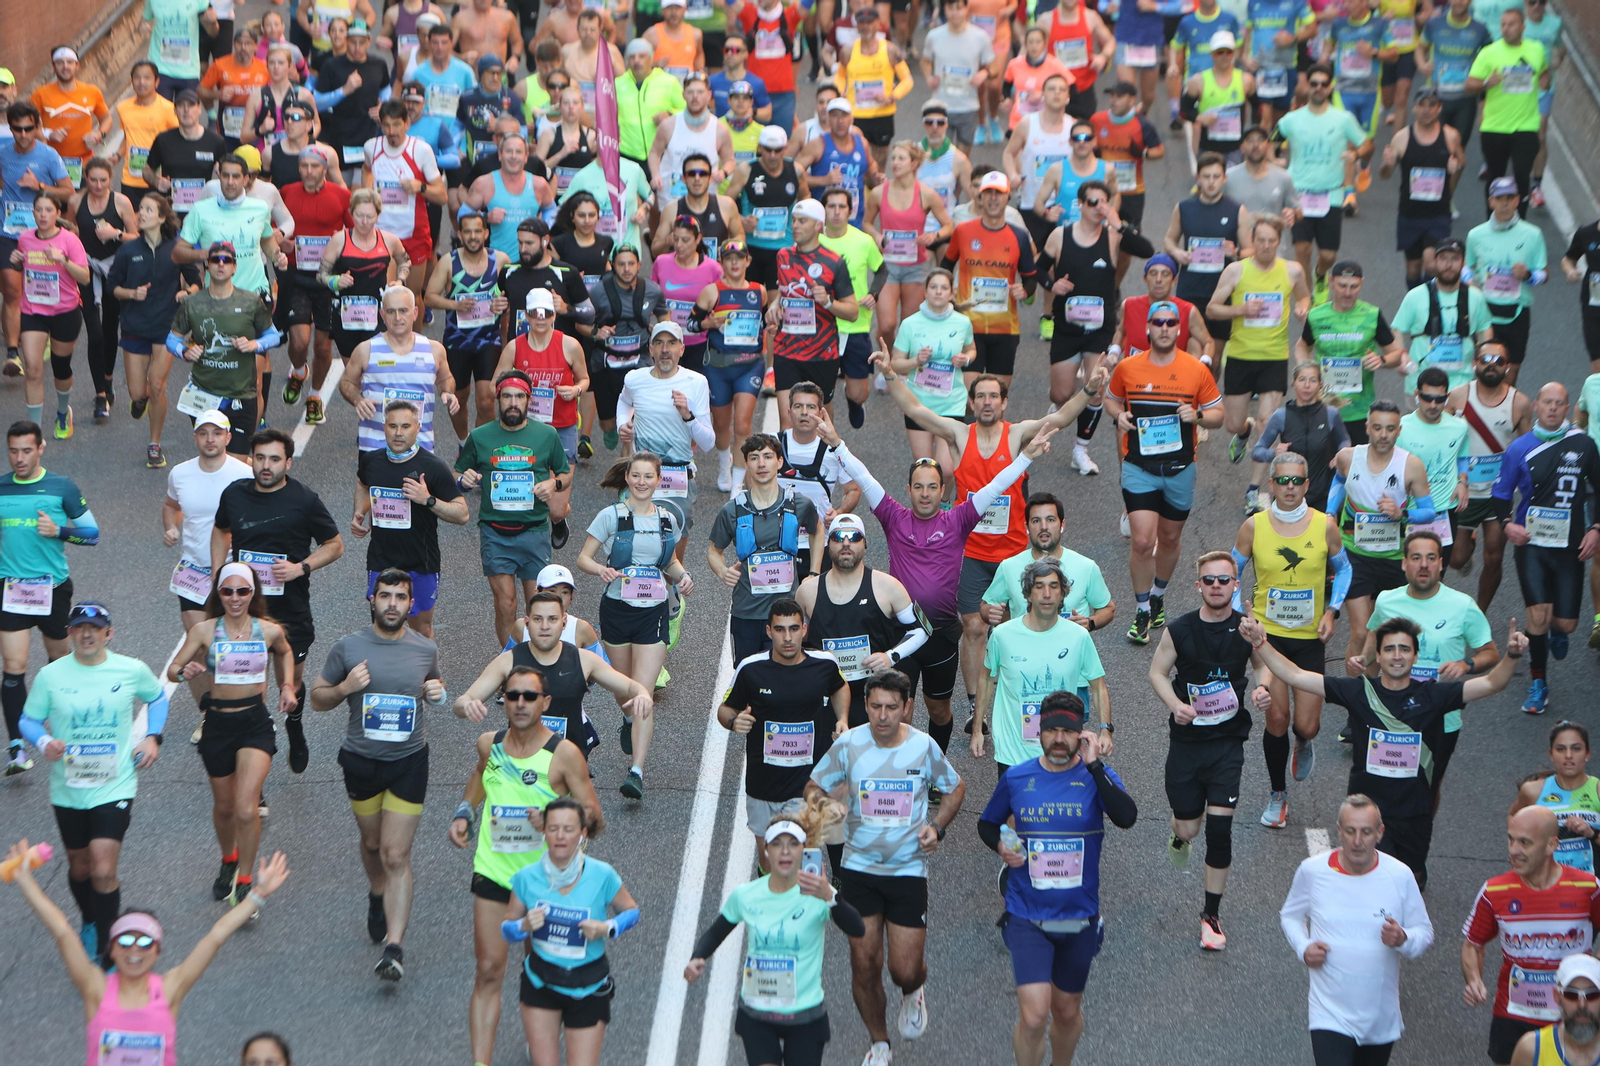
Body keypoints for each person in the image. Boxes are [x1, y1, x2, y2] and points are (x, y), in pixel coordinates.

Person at [822, 405, 1056, 752]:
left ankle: (936, 763)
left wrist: (1026, 458)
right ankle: (900, 769)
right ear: (909, 489)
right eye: (919, 487)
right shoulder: (893, 516)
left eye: (933, 486)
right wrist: (837, 443)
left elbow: (996, 485)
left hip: (943, 634)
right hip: (901, 631)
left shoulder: (958, 520)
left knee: (939, 710)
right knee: (898, 709)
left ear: (942, 488)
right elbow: (866, 476)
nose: (926, 493)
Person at [881, 370, 1098, 728]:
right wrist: (890, 375)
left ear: (1004, 402)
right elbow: (917, 411)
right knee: (974, 628)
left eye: (993, 396)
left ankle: (1018, 700)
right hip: (970, 554)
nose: (986, 402)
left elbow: (1059, 417)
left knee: (1019, 629)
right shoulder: (958, 433)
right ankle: (974, 708)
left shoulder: (1016, 434)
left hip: (1014, 556)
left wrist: (1090, 389)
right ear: (971, 402)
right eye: (980, 396)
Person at [1245, 612, 1524, 889]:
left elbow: (1492, 683)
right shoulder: (1359, 691)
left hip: (1414, 815)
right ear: (1378, 656)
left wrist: (1511, 656)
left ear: (1415, 656)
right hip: (1365, 815)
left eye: (1404, 649)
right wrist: (1260, 644)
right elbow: (1294, 674)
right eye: (1389, 649)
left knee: (1404, 888)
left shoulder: (1434, 696)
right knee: (1366, 886)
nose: (1397, 655)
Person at [3, 842, 290, 1064]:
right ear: (111, 950)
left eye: (145, 943)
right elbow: (63, 931)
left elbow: (216, 936)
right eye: (125, 941)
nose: (134, 950)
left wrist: (257, 895)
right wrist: (26, 881)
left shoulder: (170, 989)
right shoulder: (96, 988)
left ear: (157, 953)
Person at [804, 669, 964, 1066]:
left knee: (903, 969)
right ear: (866, 705)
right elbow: (813, 786)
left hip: (908, 871)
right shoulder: (850, 745)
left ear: (907, 707)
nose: (882, 715)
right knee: (864, 963)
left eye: (892, 707)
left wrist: (938, 828)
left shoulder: (924, 748)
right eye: (875, 706)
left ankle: (914, 991)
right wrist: (829, 808)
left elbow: (956, 788)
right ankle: (879, 1043)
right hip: (858, 870)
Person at [449, 663, 606, 1066]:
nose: (520, 704)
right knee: (487, 970)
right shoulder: (490, 744)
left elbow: (595, 818)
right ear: (503, 700)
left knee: (547, 976)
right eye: (512, 695)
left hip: (548, 885)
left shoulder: (564, 754)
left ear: (545, 702)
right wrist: (464, 813)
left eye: (529, 696)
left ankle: (542, 1052)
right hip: (495, 875)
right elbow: (479, 777)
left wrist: (556, 816)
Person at [978, 693, 1134, 1066]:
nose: (1059, 739)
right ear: (1039, 732)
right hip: (1026, 914)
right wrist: (1002, 846)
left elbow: (1126, 816)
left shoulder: (1096, 776)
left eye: (1068, 731)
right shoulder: (1018, 777)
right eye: (1052, 731)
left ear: (1082, 734)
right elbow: (987, 824)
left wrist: (1096, 767)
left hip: (1078, 915)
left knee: (1065, 1013)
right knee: (1033, 1016)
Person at [308, 570, 444, 980]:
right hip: (361, 760)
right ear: (371, 599)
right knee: (371, 844)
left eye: (400, 597)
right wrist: (346, 686)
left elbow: (433, 685)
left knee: (395, 854)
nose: (391, 604)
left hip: (408, 761)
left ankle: (394, 947)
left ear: (411, 604)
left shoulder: (425, 649)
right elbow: (316, 699)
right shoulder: (347, 648)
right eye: (384, 595)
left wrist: (437, 693)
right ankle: (376, 892)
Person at [17, 602, 166, 962]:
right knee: (80, 868)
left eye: (94, 628)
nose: (86, 634)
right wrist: (43, 742)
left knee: (102, 867)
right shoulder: (51, 676)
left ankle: (108, 942)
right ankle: (89, 920)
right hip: (68, 787)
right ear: (69, 634)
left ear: (108, 634)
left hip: (115, 784)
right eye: (79, 628)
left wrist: (153, 736)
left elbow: (157, 696)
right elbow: (28, 719)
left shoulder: (130, 669)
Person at [1148, 551, 1268, 950]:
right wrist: (1176, 705)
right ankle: (1179, 835)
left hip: (1227, 743)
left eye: (1224, 580)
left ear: (1236, 586)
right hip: (1187, 743)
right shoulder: (1180, 629)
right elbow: (1157, 672)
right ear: (1198, 586)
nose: (1217, 586)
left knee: (1219, 831)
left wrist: (1262, 687)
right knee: (1189, 826)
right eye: (1209, 580)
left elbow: (1262, 665)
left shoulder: (1247, 629)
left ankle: (1211, 915)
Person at [210, 428, 345, 771]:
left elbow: (335, 545)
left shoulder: (305, 500)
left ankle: (294, 724)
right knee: (249, 682)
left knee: (292, 681)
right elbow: (221, 530)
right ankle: (253, 757)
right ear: (250, 459)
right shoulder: (234, 494)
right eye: (259, 458)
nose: (265, 466)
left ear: (287, 462)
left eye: (274, 459)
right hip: (245, 609)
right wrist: (219, 573)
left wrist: (301, 567)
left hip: (290, 610)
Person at [686, 812, 865, 1066]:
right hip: (757, 1014)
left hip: (805, 1016)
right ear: (766, 850)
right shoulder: (746, 895)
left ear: (804, 851)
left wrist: (830, 897)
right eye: (777, 844)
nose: (785, 851)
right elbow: (717, 931)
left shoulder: (819, 893)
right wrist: (697, 957)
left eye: (793, 844)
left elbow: (858, 929)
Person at [168, 562, 296, 901]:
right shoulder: (205, 631)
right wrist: (187, 671)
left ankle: (245, 878)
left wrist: (286, 686)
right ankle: (229, 859)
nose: (235, 598)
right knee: (224, 808)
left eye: (243, 591)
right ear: (219, 594)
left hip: (254, 723)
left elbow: (285, 650)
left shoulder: (267, 630)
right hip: (218, 724)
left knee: (245, 808)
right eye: (228, 591)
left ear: (253, 592)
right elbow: (172, 670)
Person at [1236, 451, 1350, 827]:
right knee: (1276, 720)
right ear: (1271, 484)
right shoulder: (1254, 526)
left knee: (1308, 725)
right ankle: (1277, 795)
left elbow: (1344, 569)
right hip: (1269, 638)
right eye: (1281, 481)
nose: (1289, 487)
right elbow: (1233, 572)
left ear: (1307, 484)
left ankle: (1304, 742)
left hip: (1309, 639)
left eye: (1296, 481)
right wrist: (1245, 614)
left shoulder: (1325, 526)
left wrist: (1332, 611)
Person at [1278, 794, 1435, 1066]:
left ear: (1380, 833)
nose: (1357, 841)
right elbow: (1290, 916)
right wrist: (1303, 948)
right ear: (1339, 830)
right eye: (1350, 831)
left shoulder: (1399, 876)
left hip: (1379, 1018)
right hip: (1329, 1014)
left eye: (1366, 832)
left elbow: (1424, 932)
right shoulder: (1313, 871)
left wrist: (1403, 939)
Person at [1105, 301, 1226, 644]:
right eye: (1157, 322)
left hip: (1180, 468)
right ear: (1147, 328)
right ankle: (1142, 609)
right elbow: (1112, 399)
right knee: (1143, 540)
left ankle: (1158, 593)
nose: (1163, 327)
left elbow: (1218, 414)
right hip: (1138, 466)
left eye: (1170, 322)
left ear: (1178, 329)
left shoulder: (1195, 370)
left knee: (1170, 538)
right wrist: (1119, 416)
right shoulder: (1128, 367)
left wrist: (1198, 417)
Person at [1359, 529, 1494, 807]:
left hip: (1440, 716)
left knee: (1428, 787)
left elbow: (1490, 653)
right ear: (1404, 563)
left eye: (1431, 558)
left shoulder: (1462, 606)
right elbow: (1373, 637)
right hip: (1392, 709)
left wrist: (1466, 664)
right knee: (1385, 780)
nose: (1424, 564)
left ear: (1441, 564)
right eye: (1417, 557)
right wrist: (1364, 665)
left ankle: (1417, 838)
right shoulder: (1387, 600)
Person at [500, 798, 636, 1066]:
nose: (560, 836)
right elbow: (507, 929)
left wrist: (607, 927)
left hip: (589, 985)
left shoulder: (602, 874)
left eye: (568, 829)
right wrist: (523, 926)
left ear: (582, 833)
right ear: (544, 832)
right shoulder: (527, 877)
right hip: (541, 982)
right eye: (553, 829)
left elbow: (631, 912)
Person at [1491, 382, 1600, 715]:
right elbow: (1501, 495)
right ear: (1536, 406)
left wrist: (1595, 528)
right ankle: (1539, 682)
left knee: (1565, 624)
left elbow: (1598, 489)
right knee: (1536, 615)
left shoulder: (1583, 444)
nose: (1553, 408)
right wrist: (1508, 524)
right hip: (1532, 544)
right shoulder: (1519, 448)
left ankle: (1553, 629)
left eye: (1560, 403)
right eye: (1547, 402)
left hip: (1570, 544)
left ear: (1568, 409)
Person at [1464, 804, 1600, 1066]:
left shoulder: (1587, 887)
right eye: (1510, 839)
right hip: (1513, 1015)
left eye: (1525, 842)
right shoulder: (1494, 891)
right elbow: (1473, 944)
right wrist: (1473, 979)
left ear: (1551, 845)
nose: (1514, 850)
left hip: (1573, 1011)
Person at [718, 598, 850, 867]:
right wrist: (734, 722)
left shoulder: (824, 663)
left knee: (797, 861)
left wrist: (843, 718)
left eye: (793, 629)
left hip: (805, 786)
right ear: (768, 631)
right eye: (780, 630)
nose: (787, 637)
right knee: (768, 862)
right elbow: (725, 709)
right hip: (762, 784)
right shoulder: (751, 668)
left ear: (804, 630)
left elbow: (840, 686)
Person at [0, 420, 99, 775]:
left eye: (27, 450)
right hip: (11, 589)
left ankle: (71, 735)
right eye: (13, 450)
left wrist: (59, 531)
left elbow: (92, 534)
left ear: (41, 448)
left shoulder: (62, 487)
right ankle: (17, 748)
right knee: (13, 669)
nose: (19, 458)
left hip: (52, 589)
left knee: (59, 667)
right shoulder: (1, 488)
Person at [456, 370, 572, 648]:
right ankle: (511, 663)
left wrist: (553, 483)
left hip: (534, 531)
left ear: (528, 400)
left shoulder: (546, 435)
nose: (513, 402)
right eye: (507, 396)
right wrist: (464, 480)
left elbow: (565, 473)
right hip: (495, 533)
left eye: (519, 396)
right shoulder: (480, 436)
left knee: (539, 605)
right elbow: (458, 473)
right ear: (497, 399)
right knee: (506, 602)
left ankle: (540, 663)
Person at [575, 452, 692, 715]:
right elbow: (583, 558)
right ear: (627, 478)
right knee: (623, 690)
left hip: (654, 609)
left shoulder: (666, 520)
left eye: (648, 476)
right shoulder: (610, 516)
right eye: (636, 475)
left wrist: (683, 577)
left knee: (642, 692)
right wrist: (600, 570)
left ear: (658, 480)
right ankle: (629, 721)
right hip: (618, 606)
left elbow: (670, 562)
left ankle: (638, 749)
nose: (642, 482)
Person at [1207, 215, 1312, 509]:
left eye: (1271, 241)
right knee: (1232, 423)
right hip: (1240, 355)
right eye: (1261, 240)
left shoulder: (1292, 270)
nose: (1265, 246)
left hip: (1274, 356)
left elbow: (1305, 298)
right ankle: (1244, 430)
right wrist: (1242, 308)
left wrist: (1302, 310)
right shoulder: (1236, 271)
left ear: (1280, 243)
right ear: (1252, 241)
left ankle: (1254, 490)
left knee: (1269, 423)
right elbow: (1212, 309)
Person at [978, 556, 1113, 778]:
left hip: (1061, 749)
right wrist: (977, 730)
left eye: (1053, 587)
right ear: (1028, 594)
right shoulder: (1002, 635)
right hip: (1012, 752)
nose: (1047, 594)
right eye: (1039, 587)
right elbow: (986, 678)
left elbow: (1098, 686)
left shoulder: (1078, 636)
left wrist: (1106, 729)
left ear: (1062, 594)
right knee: (1014, 812)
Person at [162, 410, 251, 733]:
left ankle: (241, 709)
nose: (210, 439)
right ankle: (209, 713)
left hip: (234, 577)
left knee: (233, 645)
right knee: (198, 646)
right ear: (195, 437)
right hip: (193, 573)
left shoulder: (243, 474)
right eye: (204, 433)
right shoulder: (180, 473)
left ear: (228, 437)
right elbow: (172, 506)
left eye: (217, 432)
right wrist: (172, 527)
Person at [351, 398, 470, 638]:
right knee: (382, 627)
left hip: (420, 562)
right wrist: (359, 512)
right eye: (392, 426)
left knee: (421, 630)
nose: (398, 433)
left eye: (405, 426)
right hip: (380, 559)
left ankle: (428, 676)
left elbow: (463, 514)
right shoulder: (371, 461)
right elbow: (363, 484)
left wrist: (428, 499)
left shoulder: (432, 467)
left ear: (417, 428)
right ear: (384, 427)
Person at [795, 513, 926, 723]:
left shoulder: (888, 586)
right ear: (829, 544)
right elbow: (795, 639)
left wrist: (890, 657)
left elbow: (921, 630)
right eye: (838, 537)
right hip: (827, 694)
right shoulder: (807, 591)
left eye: (854, 537)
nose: (846, 543)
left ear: (865, 544)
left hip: (873, 694)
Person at [707, 433, 823, 663]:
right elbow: (713, 551)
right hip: (747, 612)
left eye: (768, 457)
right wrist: (722, 571)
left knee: (786, 679)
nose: (761, 464)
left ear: (779, 462)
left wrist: (813, 573)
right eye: (754, 457)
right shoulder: (731, 511)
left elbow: (817, 531)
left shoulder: (799, 504)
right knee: (748, 678)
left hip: (787, 615)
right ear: (746, 463)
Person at [164, 240, 283, 459]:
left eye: (226, 260)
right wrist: (184, 352)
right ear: (207, 266)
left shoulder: (250, 301)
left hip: (241, 395)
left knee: (234, 464)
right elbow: (172, 339)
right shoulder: (193, 303)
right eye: (215, 260)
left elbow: (274, 336)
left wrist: (254, 345)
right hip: (204, 393)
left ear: (234, 267)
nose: (221, 264)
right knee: (212, 459)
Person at [1038, 180, 1123, 468]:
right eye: (1093, 202)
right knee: (1061, 393)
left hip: (1100, 329)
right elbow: (1036, 268)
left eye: (1103, 202)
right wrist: (1052, 284)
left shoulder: (1112, 237)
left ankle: (1080, 451)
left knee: (1096, 386)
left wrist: (1119, 224)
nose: (1099, 208)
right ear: (1080, 205)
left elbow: (1145, 248)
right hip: (1067, 327)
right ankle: (1060, 406)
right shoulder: (1060, 236)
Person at [1273, 65, 1372, 301]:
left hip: (1331, 195)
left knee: (1328, 255)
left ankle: (1320, 274)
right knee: (1302, 249)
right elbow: (1270, 142)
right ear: (1307, 86)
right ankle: (1307, 300)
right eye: (1314, 83)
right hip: (1299, 194)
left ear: (1330, 88)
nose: (1318, 88)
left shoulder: (1343, 119)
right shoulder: (1292, 119)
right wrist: (1274, 162)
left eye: (1323, 84)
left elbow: (1367, 144)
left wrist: (1356, 156)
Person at [1447, 342, 1531, 608]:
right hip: (1463, 492)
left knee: (1494, 558)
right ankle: (1468, 540)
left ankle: (1480, 614)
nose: (1491, 363)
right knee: (1456, 559)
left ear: (1507, 367)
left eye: (1498, 359)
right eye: (1485, 358)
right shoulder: (1458, 397)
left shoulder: (1519, 403)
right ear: (1475, 364)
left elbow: (1529, 450)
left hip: (1499, 493)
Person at [940, 172, 1037, 393]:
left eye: (999, 193)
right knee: (967, 397)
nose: (993, 199)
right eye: (988, 193)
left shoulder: (1019, 236)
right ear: (980, 197)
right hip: (968, 326)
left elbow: (1031, 279)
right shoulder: (963, 231)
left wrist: (1025, 290)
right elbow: (945, 264)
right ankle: (965, 428)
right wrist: (947, 291)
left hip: (1004, 328)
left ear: (1008, 197)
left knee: (995, 398)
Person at [0, 102, 74, 375]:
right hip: (8, 231)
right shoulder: (3, 154)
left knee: (39, 289)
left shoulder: (49, 155)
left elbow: (68, 192)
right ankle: (12, 353)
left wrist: (39, 186)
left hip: (41, 235)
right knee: (11, 287)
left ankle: (40, 331)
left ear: (37, 127)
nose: (23, 134)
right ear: (10, 128)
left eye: (28, 128)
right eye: (17, 129)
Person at [978, 491, 1116, 637]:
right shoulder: (1008, 567)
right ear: (1026, 527)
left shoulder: (1086, 567)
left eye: (1050, 520)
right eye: (1036, 521)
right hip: (1023, 652)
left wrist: (1090, 622)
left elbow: (1107, 608)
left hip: (1070, 654)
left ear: (1062, 524)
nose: (1044, 527)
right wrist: (989, 613)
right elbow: (986, 606)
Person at [767, 199, 858, 417]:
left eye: (802, 221)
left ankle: (829, 452)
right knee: (788, 422)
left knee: (820, 420)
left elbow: (853, 312)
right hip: (786, 349)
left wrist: (828, 302)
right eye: (794, 221)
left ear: (818, 225)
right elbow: (785, 290)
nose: (795, 226)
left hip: (821, 353)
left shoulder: (834, 262)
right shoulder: (783, 256)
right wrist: (774, 303)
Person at [1296, 260, 1404, 446]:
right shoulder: (1316, 315)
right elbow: (1302, 346)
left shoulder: (1371, 314)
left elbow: (1397, 354)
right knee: (1322, 467)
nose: (1347, 292)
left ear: (1361, 283)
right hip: (1323, 406)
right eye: (1342, 286)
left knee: (1355, 467)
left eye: (1354, 287)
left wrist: (1382, 359)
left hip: (1359, 410)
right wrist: (1305, 371)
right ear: (1331, 282)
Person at [11, 192, 92, 439]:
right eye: (39, 210)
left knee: (60, 367)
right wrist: (16, 262)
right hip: (33, 311)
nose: (43, 215)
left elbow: (85, 278)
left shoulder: (69, 241)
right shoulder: (25, 238)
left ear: (57, 214)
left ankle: (62, 410)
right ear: (32, 213)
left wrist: (63, 260)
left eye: (48, 210)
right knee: (34, 369)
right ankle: (34, 431)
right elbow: (24, 267)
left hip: (65, 311)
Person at [66, 161, 136, 427]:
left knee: (110, 329)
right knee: (94, 333)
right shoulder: (75, 200)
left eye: (103, 181)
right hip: (86, 269)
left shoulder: (121, 202)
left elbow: (136, 235)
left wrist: (115, 233)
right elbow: (69, 230)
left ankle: (107, 376)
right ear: (86, 178)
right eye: (93, 180)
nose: (97, 186)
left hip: (114, 270)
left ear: (110, 180)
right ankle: (100, 395)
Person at [1465, 8, 1549, 217]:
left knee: (1521, 176)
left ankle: (1519, 222)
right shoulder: (1489, 53)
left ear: (1523, 27)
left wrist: (1545, 82)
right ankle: (1491, 221)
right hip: (1495, 127)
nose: (1506, 28)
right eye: (1503, 24)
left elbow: (1544, 72)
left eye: (1511, 24)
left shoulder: (1536, 50)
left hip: (1526, 126)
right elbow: (1469, 84)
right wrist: (1486, 82)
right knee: (1495, 177)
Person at [1466, 177, 1547, 385]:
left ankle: (1506, 413)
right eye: (1499, 198)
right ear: (1490, 201)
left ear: (1517, 200)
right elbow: (1466, 267)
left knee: (1512, 368)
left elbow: (1544, 273)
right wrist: (1469, 282)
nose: (1504, 203)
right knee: (1485, 365)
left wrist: (1529, 275)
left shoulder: (1533, 234)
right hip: (1485, 311)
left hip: (1517, 310)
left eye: (1509, 198)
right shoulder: (1476, 235)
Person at [1391, 238, 1492, 394]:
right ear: (1435, 262)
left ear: (1463, 263)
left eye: (1454, 259)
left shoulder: (1475, 296)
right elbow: (1397, 329)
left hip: (1461, 383)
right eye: (1443, 259)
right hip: (1420, 383)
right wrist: (1401, 356)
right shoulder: (1415, 296)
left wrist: (1484, 358)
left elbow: (1485, 328)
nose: (1449, 264)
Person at [1248, 363, 1350, 512]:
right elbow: (1257, 452)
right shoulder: (1281, 416)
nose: (1307, 385)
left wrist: (1341, 453)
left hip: (1323, 497)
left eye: (1313, 380)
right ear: (1293, 383)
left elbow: (1344, 440)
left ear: (1320, 385)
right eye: (1302, 379)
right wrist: (1274, 453)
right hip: (1288, 497)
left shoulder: (1330, 414)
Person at [1510, 721, 1600, 874]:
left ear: (1588, 754)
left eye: (1576, 749)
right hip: (1544, 883)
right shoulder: (1533, 791)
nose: (1569, 755)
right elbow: (1513, 818)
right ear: (1551, 754)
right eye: (1561, 749)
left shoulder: (1597, 790)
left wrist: (1591, 833)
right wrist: (1518, 851)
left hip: (1590, 885)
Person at [833, 7, 913, 171]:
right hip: (856, 115)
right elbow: (840, 75)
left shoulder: (890, 50)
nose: (866, 26)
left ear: (878, 24)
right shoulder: (848, 51)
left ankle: (875, 195)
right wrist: (840, 92)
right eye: (862, 23)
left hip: (881, 115)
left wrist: (892, 96)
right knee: (854, 160)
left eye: (870, 23)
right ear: (857, 25)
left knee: (879, 164)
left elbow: (907, 80)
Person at [920, 0, 996, 151]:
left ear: (967, 9)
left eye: (959, 8)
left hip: (967, 105)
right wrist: (928, 76)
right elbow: (925, 61)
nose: (955, 13)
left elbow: (994, 67)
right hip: (941, 104)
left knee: (962, 158)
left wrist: (984, 73)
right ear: (944, 9)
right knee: (940, 155)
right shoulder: (934, 36)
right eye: (950, 8)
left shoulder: (980, 37)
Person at [795, 97, 875, 230]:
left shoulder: (862, 143)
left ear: (851, 119)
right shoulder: (817, 145)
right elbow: (793, 173)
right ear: (828, 118)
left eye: (844, 115)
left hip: (855, 223)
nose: (840, 121)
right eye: (835, 115)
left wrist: (875, 176)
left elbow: (870, 169)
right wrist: (823, 180)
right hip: (824, 226)